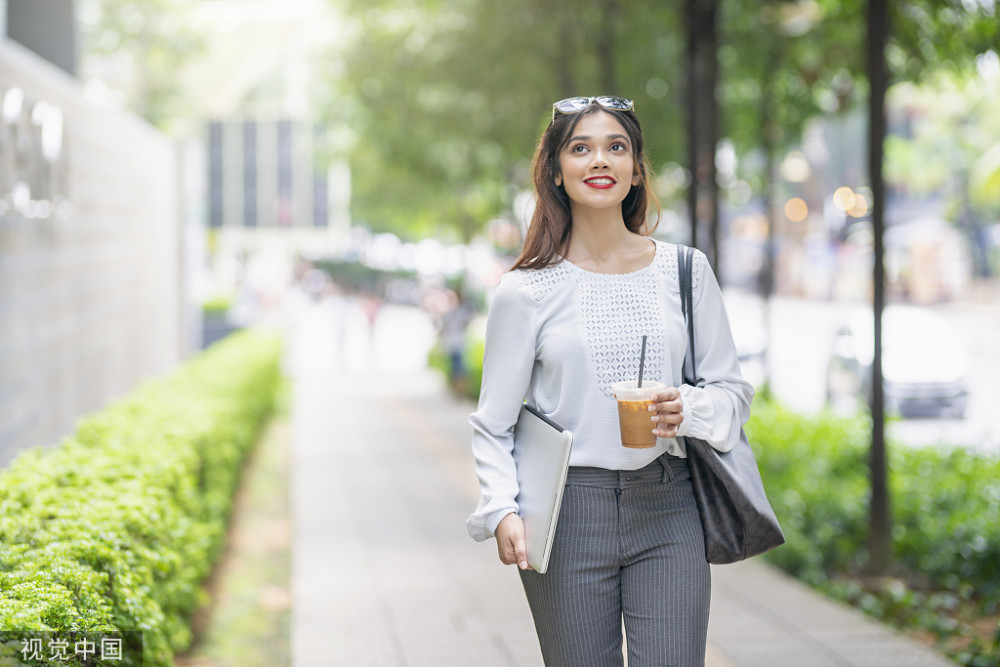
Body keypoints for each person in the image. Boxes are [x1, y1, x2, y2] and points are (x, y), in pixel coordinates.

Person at [466, 96, 753, 666]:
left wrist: (687, 410)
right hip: (567, 512)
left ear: (636, 169)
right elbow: (494, 423)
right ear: (555, 169)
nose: (600, 160)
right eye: (581, 148)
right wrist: (501, 508)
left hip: (670, 506)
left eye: (616, 147)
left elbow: (733, 392)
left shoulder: (685, 271)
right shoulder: (526, 291)